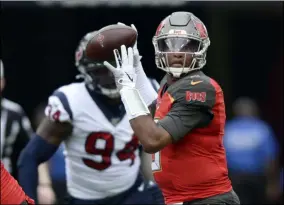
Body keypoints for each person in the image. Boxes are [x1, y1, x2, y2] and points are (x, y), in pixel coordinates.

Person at [104, 11, 240, 204]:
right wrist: (136, 66)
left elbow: (152, 139)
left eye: (187, 45)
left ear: (201, 48)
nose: (177, 52)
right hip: (180, 199)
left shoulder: (200, 86)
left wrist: (126, 88)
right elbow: (154, 112)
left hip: (208, 199)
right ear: (158, 47)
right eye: (170, 44)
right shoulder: (170, 84)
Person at [17, 26, 163, 204]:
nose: (110, 76)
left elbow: (168, 141)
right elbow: (30, 157)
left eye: (114, 66)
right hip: (85, 198)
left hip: (131, 193)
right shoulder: (71, 102)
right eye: (100, 70)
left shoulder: (146, 91)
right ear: (85, 71)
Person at [0, 60, 55, 204]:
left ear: (2, 82)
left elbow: (34, 150)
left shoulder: (13, 113)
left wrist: (44, 185)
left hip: (5, 185)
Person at [224, 97, 281, 204]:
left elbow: (270, 158)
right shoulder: (228, 129)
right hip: (234, 179)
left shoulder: (261, 128)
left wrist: (272, 183)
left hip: (255, 178)